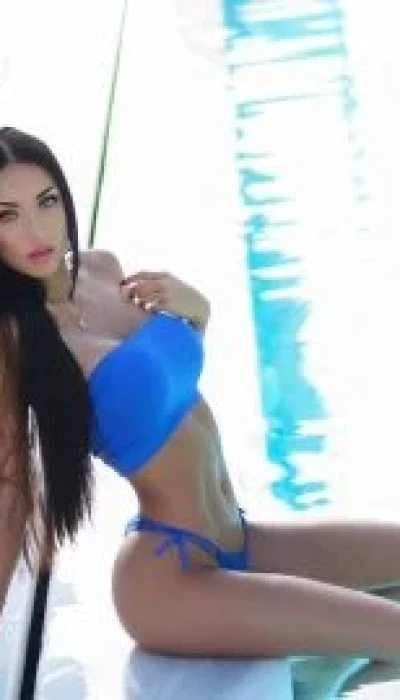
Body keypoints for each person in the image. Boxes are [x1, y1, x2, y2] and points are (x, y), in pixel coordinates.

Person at [2, 126, 400, 662]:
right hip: (170, 576)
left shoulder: (102, 269)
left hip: (244, 538)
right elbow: (11, 492)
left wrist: (198, 313)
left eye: (46, 201)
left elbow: (164, 388)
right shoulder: (13, 342)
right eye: (7, 215)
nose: (37, 228)